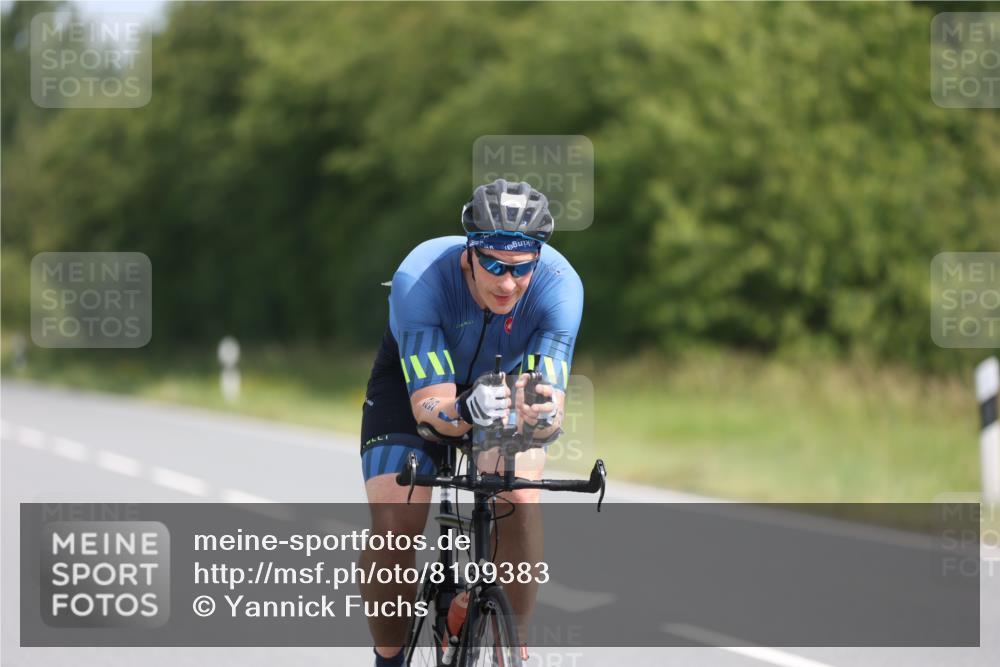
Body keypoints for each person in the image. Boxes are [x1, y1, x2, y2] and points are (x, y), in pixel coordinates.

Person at [358, 179, 583, 666]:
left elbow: (550, 409)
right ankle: (389, 658)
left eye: (521, 270)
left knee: (520, 495)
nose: (507, 284)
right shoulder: (419, 278)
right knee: (397, 523)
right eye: (495, 266)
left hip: (503, 384)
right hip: (413, 390)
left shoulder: (561, 287)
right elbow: (431, 412)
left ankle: (511, 647)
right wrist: (464, 411)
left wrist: (540, 416)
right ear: (470, 253)